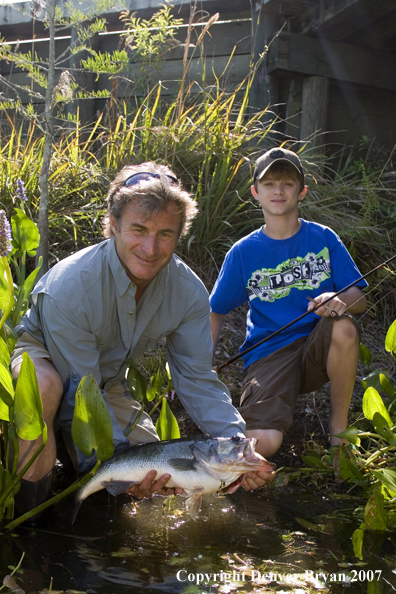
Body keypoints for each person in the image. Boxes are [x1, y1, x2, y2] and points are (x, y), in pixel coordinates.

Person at [11, 162, 275, 516]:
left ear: (179, 234)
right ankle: (29, 528)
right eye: (138, 229)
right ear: (114, 224)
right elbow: (79, 389)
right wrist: (115, 459)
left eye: (165, 234)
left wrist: (238, 444)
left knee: (158, 480)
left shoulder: (188, 293)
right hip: (48, 361)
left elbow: (196, 378)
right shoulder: (71, 286)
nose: (151, 248)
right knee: (45, 388)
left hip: (106, 381)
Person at [210, 147, 367, 458]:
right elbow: (215, 310)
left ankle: (339, 434)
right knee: (261, 445)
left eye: (287, 183)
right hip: (269, 355)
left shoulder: (323, 238)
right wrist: (203, 367)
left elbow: (359, 298)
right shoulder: (243, 252)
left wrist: (338, 300)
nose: (278, 190)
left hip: (317, 349)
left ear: (302, 191)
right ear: (256, 192)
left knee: (344, 328)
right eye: (269, 184)